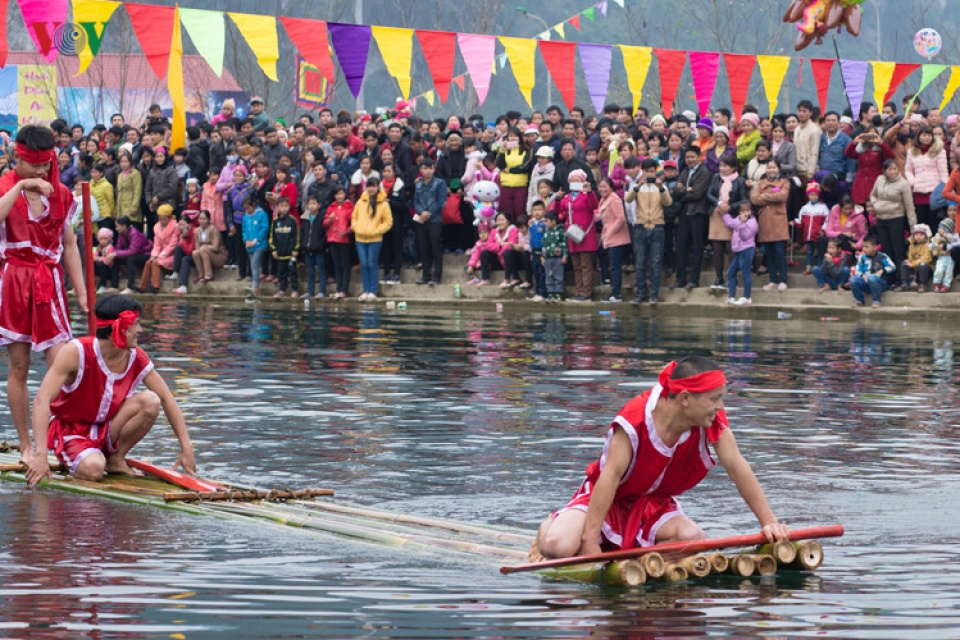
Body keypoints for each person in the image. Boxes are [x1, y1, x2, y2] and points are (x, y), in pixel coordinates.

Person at [533, 357, 789, 559]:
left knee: (692, 538)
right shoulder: (635, 418)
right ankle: (550, 525)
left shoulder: (710, 419)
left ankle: (640, 562)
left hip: (653, 505)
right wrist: (588, 541)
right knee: (557, 546)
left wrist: (770, 523)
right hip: (608, 499)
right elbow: (609, 478)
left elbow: (737, 466)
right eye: (715, 398)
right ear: (686, 399)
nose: (720, 407)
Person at [25, 295, 196, 484]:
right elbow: (42, 400)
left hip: (107, 428)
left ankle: (115, 459)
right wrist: (40, 455)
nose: (140, 330)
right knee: (93, 470)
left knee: (151, 400)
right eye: (136, 324)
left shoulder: (136, 356)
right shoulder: (75, 352)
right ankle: (86, 460)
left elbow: (166, 397)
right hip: (70, 431)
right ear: (119, 327)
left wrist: (186, 446)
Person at [0, 126, 88, 464]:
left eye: (44, 165)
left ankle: (64, 439)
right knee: (19, 367)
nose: (41, 172)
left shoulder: (62, 194)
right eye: (33, 166)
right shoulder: (7, 186)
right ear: (18, 159)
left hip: (49, 281)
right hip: (15, 280)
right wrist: (22, 185)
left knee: (64, 364)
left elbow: (69, 245)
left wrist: (81, 292)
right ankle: (26, 444)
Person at [626, 158, 672, 305]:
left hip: (657, 227)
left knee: (655, 263)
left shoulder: (661, 186)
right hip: (640, 227)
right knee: (640, 263)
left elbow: (668, 203)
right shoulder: (638, 186)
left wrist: (661, 188)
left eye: (652, 171)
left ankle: (653, 295)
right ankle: (640, 295)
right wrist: (637, 186)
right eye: (647, 171)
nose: (650, 174)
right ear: (643, 172)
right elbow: (627, 199)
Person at [870, 159, 916, 288]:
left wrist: (913, 226)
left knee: (898, 251)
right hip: (881, 218)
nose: (892, 171)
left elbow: (909, 206)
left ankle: (900, 280)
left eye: (895, 168)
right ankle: (889, 279)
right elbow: (872, 195)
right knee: (886, 250)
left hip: (896, 218)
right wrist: (876, 204)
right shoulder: (879, 179)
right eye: (889, 169)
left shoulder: (903, 184)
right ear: (884, 171)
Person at [554, 169, 599, 301]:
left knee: (585, 265)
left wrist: (589, 191)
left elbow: (594, 205)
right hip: (573, 235)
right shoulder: (567, 198)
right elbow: (557, 211)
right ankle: (578, 291)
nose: (575, 182)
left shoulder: (586, 195)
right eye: (573, 180)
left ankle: (586, 293)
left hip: (585, 234)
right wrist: (557, 198)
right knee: (577, 266)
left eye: (578, 180)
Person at [706, 154, 748, 290]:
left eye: (725, 166)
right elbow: (709, 194)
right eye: (721, 166)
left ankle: (732, 278)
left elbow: (743, 199)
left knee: (731, 249)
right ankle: (718, 277)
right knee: (717, 249)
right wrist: (719, 203)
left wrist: (730, 206)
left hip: (731, 216)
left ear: (733, 168)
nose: (722, 168)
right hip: (717, 215)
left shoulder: (740, 181)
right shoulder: (716, 177)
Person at [672, 147, 711, 290]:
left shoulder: (704, 172)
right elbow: (675, 190)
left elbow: (697, 194)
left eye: (692, 157)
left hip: (697, 213)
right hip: (684, 213)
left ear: (699, 157)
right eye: (687, 157)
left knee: (696, 247)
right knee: (681, 246)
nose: (689, 160)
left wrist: (683, 191)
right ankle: (680, 279)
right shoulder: (685, 170)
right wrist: (685, 190)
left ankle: (695, 279)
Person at [351, 177, 393, 301]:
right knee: (364, 264)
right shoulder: (360, 202)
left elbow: (388, 221)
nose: (371, 188)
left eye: (373, 186)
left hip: (375, 238)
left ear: (377, 187)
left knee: (372, 263)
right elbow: (354, 217)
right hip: (360, 238)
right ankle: (366, 289)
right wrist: (357, 228)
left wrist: (376, 230)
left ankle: (373, 290)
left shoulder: (383, 203)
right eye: (369, 186)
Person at [753, 159, 791, 291]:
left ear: (779, 169)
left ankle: (783, 280)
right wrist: (773, 195)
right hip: (765, 220)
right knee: (768, 253)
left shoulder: (784, 182)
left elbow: (783, 197)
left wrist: (765, 195)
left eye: (774, 167)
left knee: (780, 252)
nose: (771, 170)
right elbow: (755, 199)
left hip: (778, 221)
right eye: (769, 167)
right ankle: (773, 279)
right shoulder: (761, 182)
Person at [905, 126, 949, 230]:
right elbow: (908, 170)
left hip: (934, 192)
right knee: (921, 225)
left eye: (929, 135)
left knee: (934, 224)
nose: (927, 137)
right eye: (924, 135)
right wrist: (913, 181)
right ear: (919, 137)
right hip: (918, 192)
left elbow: (943, 173)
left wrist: (943, 189)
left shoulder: (939, 151)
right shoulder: (912, 151)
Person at [596, 178, 631, 302]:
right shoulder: (603, 199)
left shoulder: (614, 199)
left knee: (615, 266)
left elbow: (621, 219)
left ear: (611, 187)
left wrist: (610, 232)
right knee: (612, 264)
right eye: (600, 187)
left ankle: (616, 294)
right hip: (608, 237)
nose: (602, 189)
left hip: (617, 237)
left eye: (605, 187)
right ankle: (614, 291)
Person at [413, 158, 447, 285]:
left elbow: (441, 202)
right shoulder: (419, 184)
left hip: (435, 219)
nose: (427, 171)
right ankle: (425, 276)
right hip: (421, 219)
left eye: (430, 168)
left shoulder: (440, 183)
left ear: (434, 169)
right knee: (424, 248)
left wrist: (428, 213)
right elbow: (415, 201)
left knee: (435, 248)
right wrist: (421, 212)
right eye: (425, 168)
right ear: (421, 170)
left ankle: (437, 276)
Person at [723, 200, 759, 305]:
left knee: (745, 273)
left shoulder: (753, 222)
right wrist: (725, 214)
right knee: (731, 272)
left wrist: (742, 224)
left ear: (751, 211)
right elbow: (730, 223)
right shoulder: (739, 219)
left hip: (747, 250)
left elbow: (745, 236)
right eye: (742, 210)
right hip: (739, 251)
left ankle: (747, 297)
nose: (744, 213)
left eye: (747, 210)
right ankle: (731, 296)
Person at [139, 204, 179, 293]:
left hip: (172, 255)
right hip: (161, 253)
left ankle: (155, 286)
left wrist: (161, 256)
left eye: (164, 219)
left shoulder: (175, 227)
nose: (162, 221)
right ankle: (142, 286)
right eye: (160, 219)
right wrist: (154, 255)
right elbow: (156, 244)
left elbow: (173, 245)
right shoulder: (157, 227)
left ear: (169, 218)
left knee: (156, 263)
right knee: (149, 262)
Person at [325, 185, 354, 299]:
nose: (339, 196)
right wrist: (329, 220)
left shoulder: (349, 207)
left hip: (344, 239)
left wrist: (347, 231)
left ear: (345, 194)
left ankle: (344, 289)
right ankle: (338, 289)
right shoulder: (331, 207)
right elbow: (325, 223)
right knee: (337, 265)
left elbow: (354, 221)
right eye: (337, 194)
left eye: (341, 194)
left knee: (344, 265)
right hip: (332, 238)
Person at [850, 235, 895, 307]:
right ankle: (860, 300)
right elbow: (858, 271)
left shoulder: (882, 256)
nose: (864, 249)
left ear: (874, 247)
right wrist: (862, 275)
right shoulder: (862, 258)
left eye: (867, 247)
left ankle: (877, 300)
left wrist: (883, 270)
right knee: (853, 280)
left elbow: (892, 266)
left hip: (879, 282)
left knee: (872, 278)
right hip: (866, 281)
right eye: (863, 247)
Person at [795, 183, 830, 274]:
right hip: (808, 234)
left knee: (819, 251)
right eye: (811, 195)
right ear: (808, 196)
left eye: (815, 195)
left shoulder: (823, 207)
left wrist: (823, 229)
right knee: (809, 252)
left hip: (818, 234)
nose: (813, 197)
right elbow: (800, 220)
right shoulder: (804, 208)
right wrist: (794, 222)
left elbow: (827, 220)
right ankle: (808, 268)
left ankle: (819, 267)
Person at [269, 197, 300, 298]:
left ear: (289, 207)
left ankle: (295, 290)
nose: (283, 208)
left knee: (293, 272)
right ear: (277, 208)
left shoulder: (292, 220)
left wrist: (295, 249)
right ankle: (282, 290)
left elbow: (297, 235)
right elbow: (272, 236)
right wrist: (273, 249)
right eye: (281, 206)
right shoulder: (275, 221)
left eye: (286, 206)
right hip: (280, 253)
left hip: (290, 253)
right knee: (281, 273)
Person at [189, 210, 226, 289]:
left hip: (218, 256)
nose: (202, 221)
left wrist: (205, 247)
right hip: (204, 254)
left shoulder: (213, 229)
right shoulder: (196, 231)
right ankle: (201, 275)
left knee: (203, 249)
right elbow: (197, 247)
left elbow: (215, 247)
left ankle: (209, 275)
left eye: (204, 219)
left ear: (209, 220)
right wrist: (201, 249)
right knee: (195, 253)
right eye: (200, 219)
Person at [542, 210, 567, 302]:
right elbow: (544, 245)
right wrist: (543, 257)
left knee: (558, 276)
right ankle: (550, 293)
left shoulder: (560, 231)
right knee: (549, 276)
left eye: (547, 221)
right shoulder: (546, 232)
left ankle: (558, 294)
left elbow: (564, 244)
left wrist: (565, 255)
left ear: (553, 221)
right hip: (548, 258)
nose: (545, 223)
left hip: (558, 258)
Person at [900, 224, 934, 293]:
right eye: (916, 235)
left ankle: (923, 285)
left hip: (927, 267)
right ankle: (905, 283)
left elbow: (927, 258)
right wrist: (910, 262)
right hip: (915, 267)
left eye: (921, 235)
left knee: (922, 264)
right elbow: (910, 256)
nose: (918, 237)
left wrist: (913, 264)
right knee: (904, 263)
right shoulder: (912, 245)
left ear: (925, 236)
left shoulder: (928, 244)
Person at [93, 227, 117, 293]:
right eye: (101, 239)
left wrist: (99, 259)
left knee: (102, 264)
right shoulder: (98, 247)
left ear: (109, 239)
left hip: (109, 270)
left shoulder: (110, 247)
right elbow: (94, 255)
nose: (103, 241)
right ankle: (93, 285)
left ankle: (103, 286)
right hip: (100, 270)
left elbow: (109, 261)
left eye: (105, 239)